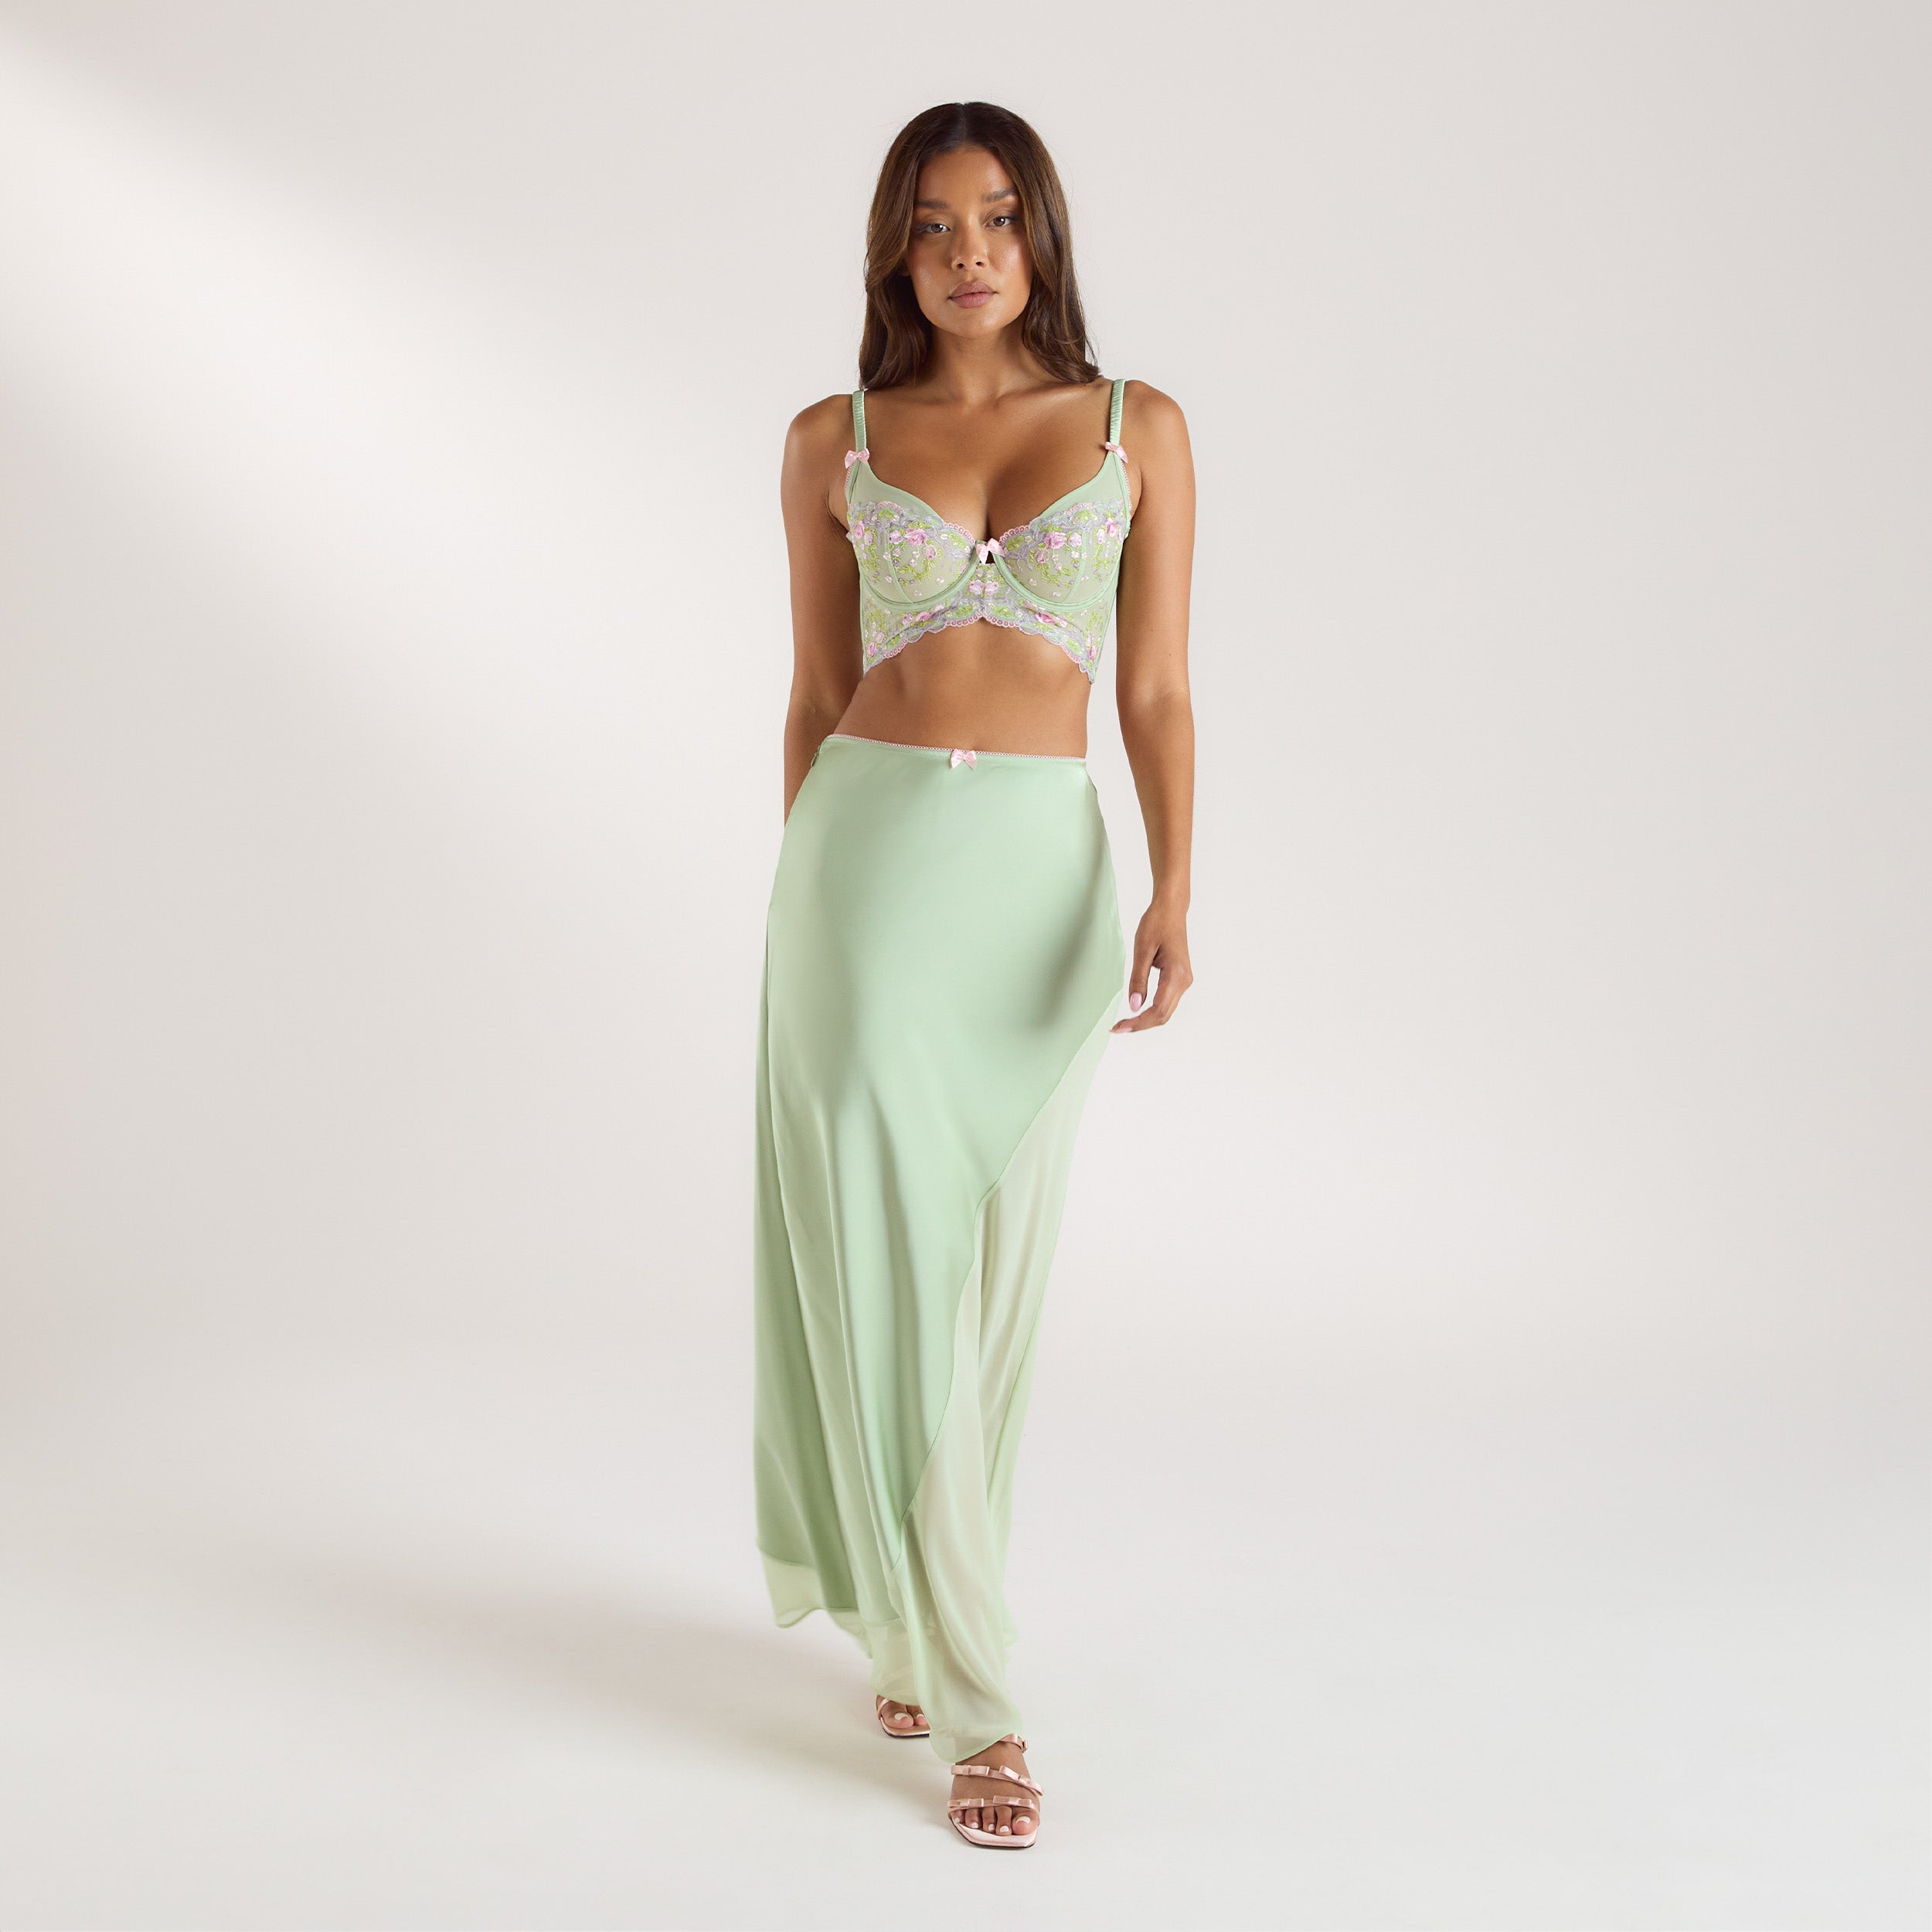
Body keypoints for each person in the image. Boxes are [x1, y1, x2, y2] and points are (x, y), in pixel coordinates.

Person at [750, 99, 1196, 1849]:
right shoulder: (833, 438)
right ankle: (977, 1696)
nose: (966, 253)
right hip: (863, 873)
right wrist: (806, 907)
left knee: (997, 1269)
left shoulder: (1135, 425)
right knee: (882, 1250)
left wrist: (1175, 883)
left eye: (997, 217)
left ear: (1041, 234)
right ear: (894, 250)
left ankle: (914, 1609)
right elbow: (811, 693)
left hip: (1038, 880)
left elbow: (1152, 689)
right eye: (931, 224)